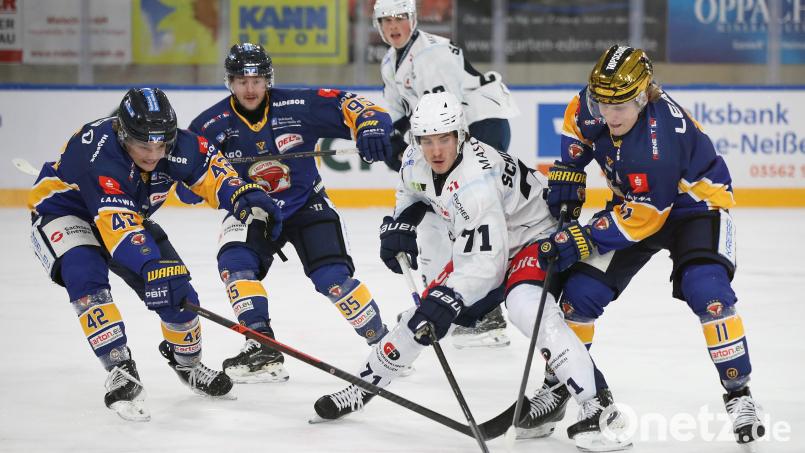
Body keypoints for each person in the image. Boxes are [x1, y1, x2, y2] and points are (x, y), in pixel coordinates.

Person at [313, 92, 632, 451]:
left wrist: (448, 299)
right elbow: (411, 190)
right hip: (485, 240)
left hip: (534, 235)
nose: (436, 151)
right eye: (428, 141)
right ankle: (363, 386)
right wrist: (401, 223)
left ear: (460, 135)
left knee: (528, 308)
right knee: (419, 321)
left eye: (444, 140)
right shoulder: (416, 159)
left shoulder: (474, 183)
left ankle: (600, 407)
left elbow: (488, 263)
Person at [535, 45, 765, 446]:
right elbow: (577, 127)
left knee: (708, 292)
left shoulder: (654, 144)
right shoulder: (592, 103)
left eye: (621, 105)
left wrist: (583, 237)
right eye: (604, 103)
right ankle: (561, 388)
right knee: (577, 298)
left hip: (695, 208)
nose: (610, 115)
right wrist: (569, 170)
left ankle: (740, 395)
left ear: (644, 95)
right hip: (636, 203)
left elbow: (647, 217)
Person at [27, 88, 284, 421]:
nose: (153, 155)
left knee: (179, 294)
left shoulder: (177, 145)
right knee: (86, 278)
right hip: (65, 213)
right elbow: (117, 228)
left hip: (126, 216)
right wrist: (150, 264)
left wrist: (241, 195)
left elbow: (212, 171)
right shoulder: (97, 154)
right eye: (143, 145)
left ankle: (187, 365)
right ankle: (119, 367)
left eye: (161, 145)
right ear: (122, 134)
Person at [187, 43, 395, 384]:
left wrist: (371, 126)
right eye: (241, 80)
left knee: (333, 279)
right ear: (230, 82)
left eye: (257, 80)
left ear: (269, 80)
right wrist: (190, 184)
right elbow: (185, 170)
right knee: (235, 265)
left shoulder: (297, 105)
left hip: (306, 204)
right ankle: (262, 346)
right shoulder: (210, 124)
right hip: (250, 209)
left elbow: (352, 104)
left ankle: (385, 343)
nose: (250, 88)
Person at [372, 0, 520, 349]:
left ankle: (477, 311)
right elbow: (394, 114)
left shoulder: (432, 55)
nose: (394, 26)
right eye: (386, 20)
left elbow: (444, 114)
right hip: (455, 131)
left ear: (413, 19)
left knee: (458, 214)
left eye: (400, 18)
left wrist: (407, 147)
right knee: (437, 217)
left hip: (481, 125)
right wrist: (383, 139)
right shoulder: (390, 62)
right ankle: (450, 302)